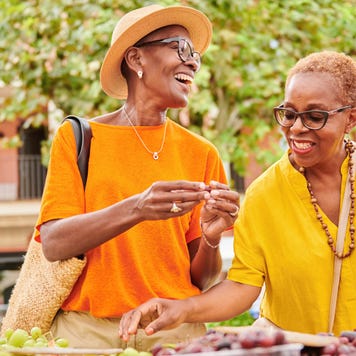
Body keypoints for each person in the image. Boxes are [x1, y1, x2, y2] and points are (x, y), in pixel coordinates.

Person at [28, 4, 239, 351]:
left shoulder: (202, 153)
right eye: (180, 48)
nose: (193, 62)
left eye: (196, 54)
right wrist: (138, 207)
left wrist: (213, 239)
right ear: (136, 59)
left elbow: (201, 279)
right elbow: (53, 243)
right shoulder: (79, 138)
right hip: (88, 334)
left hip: (173, 334)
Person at [118, 51, 356, 340]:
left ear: (350, 118)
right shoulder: (264, 194)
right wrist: (182, 309)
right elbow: (243, 285)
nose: (296, 128)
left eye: (315, 116)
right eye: (289, 114)